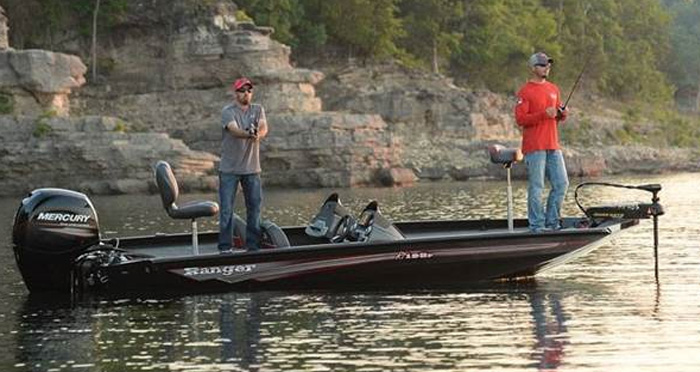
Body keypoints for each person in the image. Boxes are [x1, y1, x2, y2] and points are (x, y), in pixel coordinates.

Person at [515, 52, 569, 233]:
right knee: (537, 187)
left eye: (548, 65)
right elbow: (520, 119)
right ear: (533, 68)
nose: (547, 67)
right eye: (543, 65)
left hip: (553, 145)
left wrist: (562, 113)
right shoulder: (525, 91)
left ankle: (552, 223)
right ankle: (537, 226)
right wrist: (543, 114)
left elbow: (558, 116)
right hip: (534, 146)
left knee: (562, 184)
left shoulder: (554, 89)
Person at [218, 77, 268, 252]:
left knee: (254, 209)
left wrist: (258, 135)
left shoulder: (258, 109)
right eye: (242, 90)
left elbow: (263, 127)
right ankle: (225, 247)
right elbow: (233, 130)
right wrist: (248, 135)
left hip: (252, 169)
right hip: (229, 170)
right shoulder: (228, 111)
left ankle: (253, 247)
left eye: (249, 90)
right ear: (235, 93)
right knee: (226, 210)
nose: (246, 93)